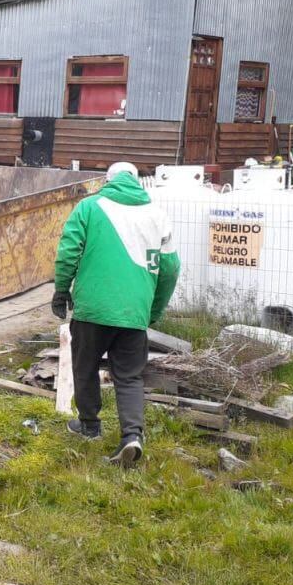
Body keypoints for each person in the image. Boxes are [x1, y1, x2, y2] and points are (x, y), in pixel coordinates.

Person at [53, 161, 179, 467]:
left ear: (107, 180)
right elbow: (171, 269)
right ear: (137, 181)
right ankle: (132, 436)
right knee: (130, 377)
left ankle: (90, 426)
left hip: (93, 309)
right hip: (134, 311)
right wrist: (153, 310)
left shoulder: (89, 207)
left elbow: (69, 250)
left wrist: (61, 289)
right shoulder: (158, 215)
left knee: (85, 367)